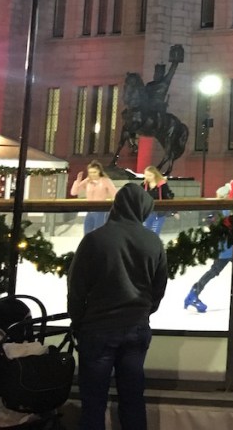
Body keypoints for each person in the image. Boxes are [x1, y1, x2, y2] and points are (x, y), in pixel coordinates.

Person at [67, 183, 168, 430]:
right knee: (133, 399)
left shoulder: (94, 240)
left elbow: (76, 286)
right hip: (136, 329)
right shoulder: (153, 242)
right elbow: (159, 288)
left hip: (98, 329)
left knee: (93, 402)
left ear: (117, 205)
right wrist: (143, 312)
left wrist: (78, 321)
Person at [183, 175, 233, 313]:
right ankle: (194, 294)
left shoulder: (230, 199)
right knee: (225, 270)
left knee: (231, 269)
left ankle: (194, 294)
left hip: (228, 245)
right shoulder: (228, 204)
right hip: (229, 246)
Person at [71, 160, 118, 234]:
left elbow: (115, 195)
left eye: (94, 172)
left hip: (101, 211)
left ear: (99, 171)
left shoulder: (105, 181)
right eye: (90, 172)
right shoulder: (87, 181)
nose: (92, 174)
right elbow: (74, 192)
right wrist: (78, 181)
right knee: (87, 233)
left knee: (99, 233)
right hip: (90, 211)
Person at [141, 165, 174, 235]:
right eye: (146, 175)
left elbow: (168, 198)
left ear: (155, 175)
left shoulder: (162, 185)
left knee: (155, 232)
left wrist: (174, 211)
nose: (147, 177)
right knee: (145, 232)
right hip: (147, 212)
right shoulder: (143, 185)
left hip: (159, 213)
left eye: (150, 175)